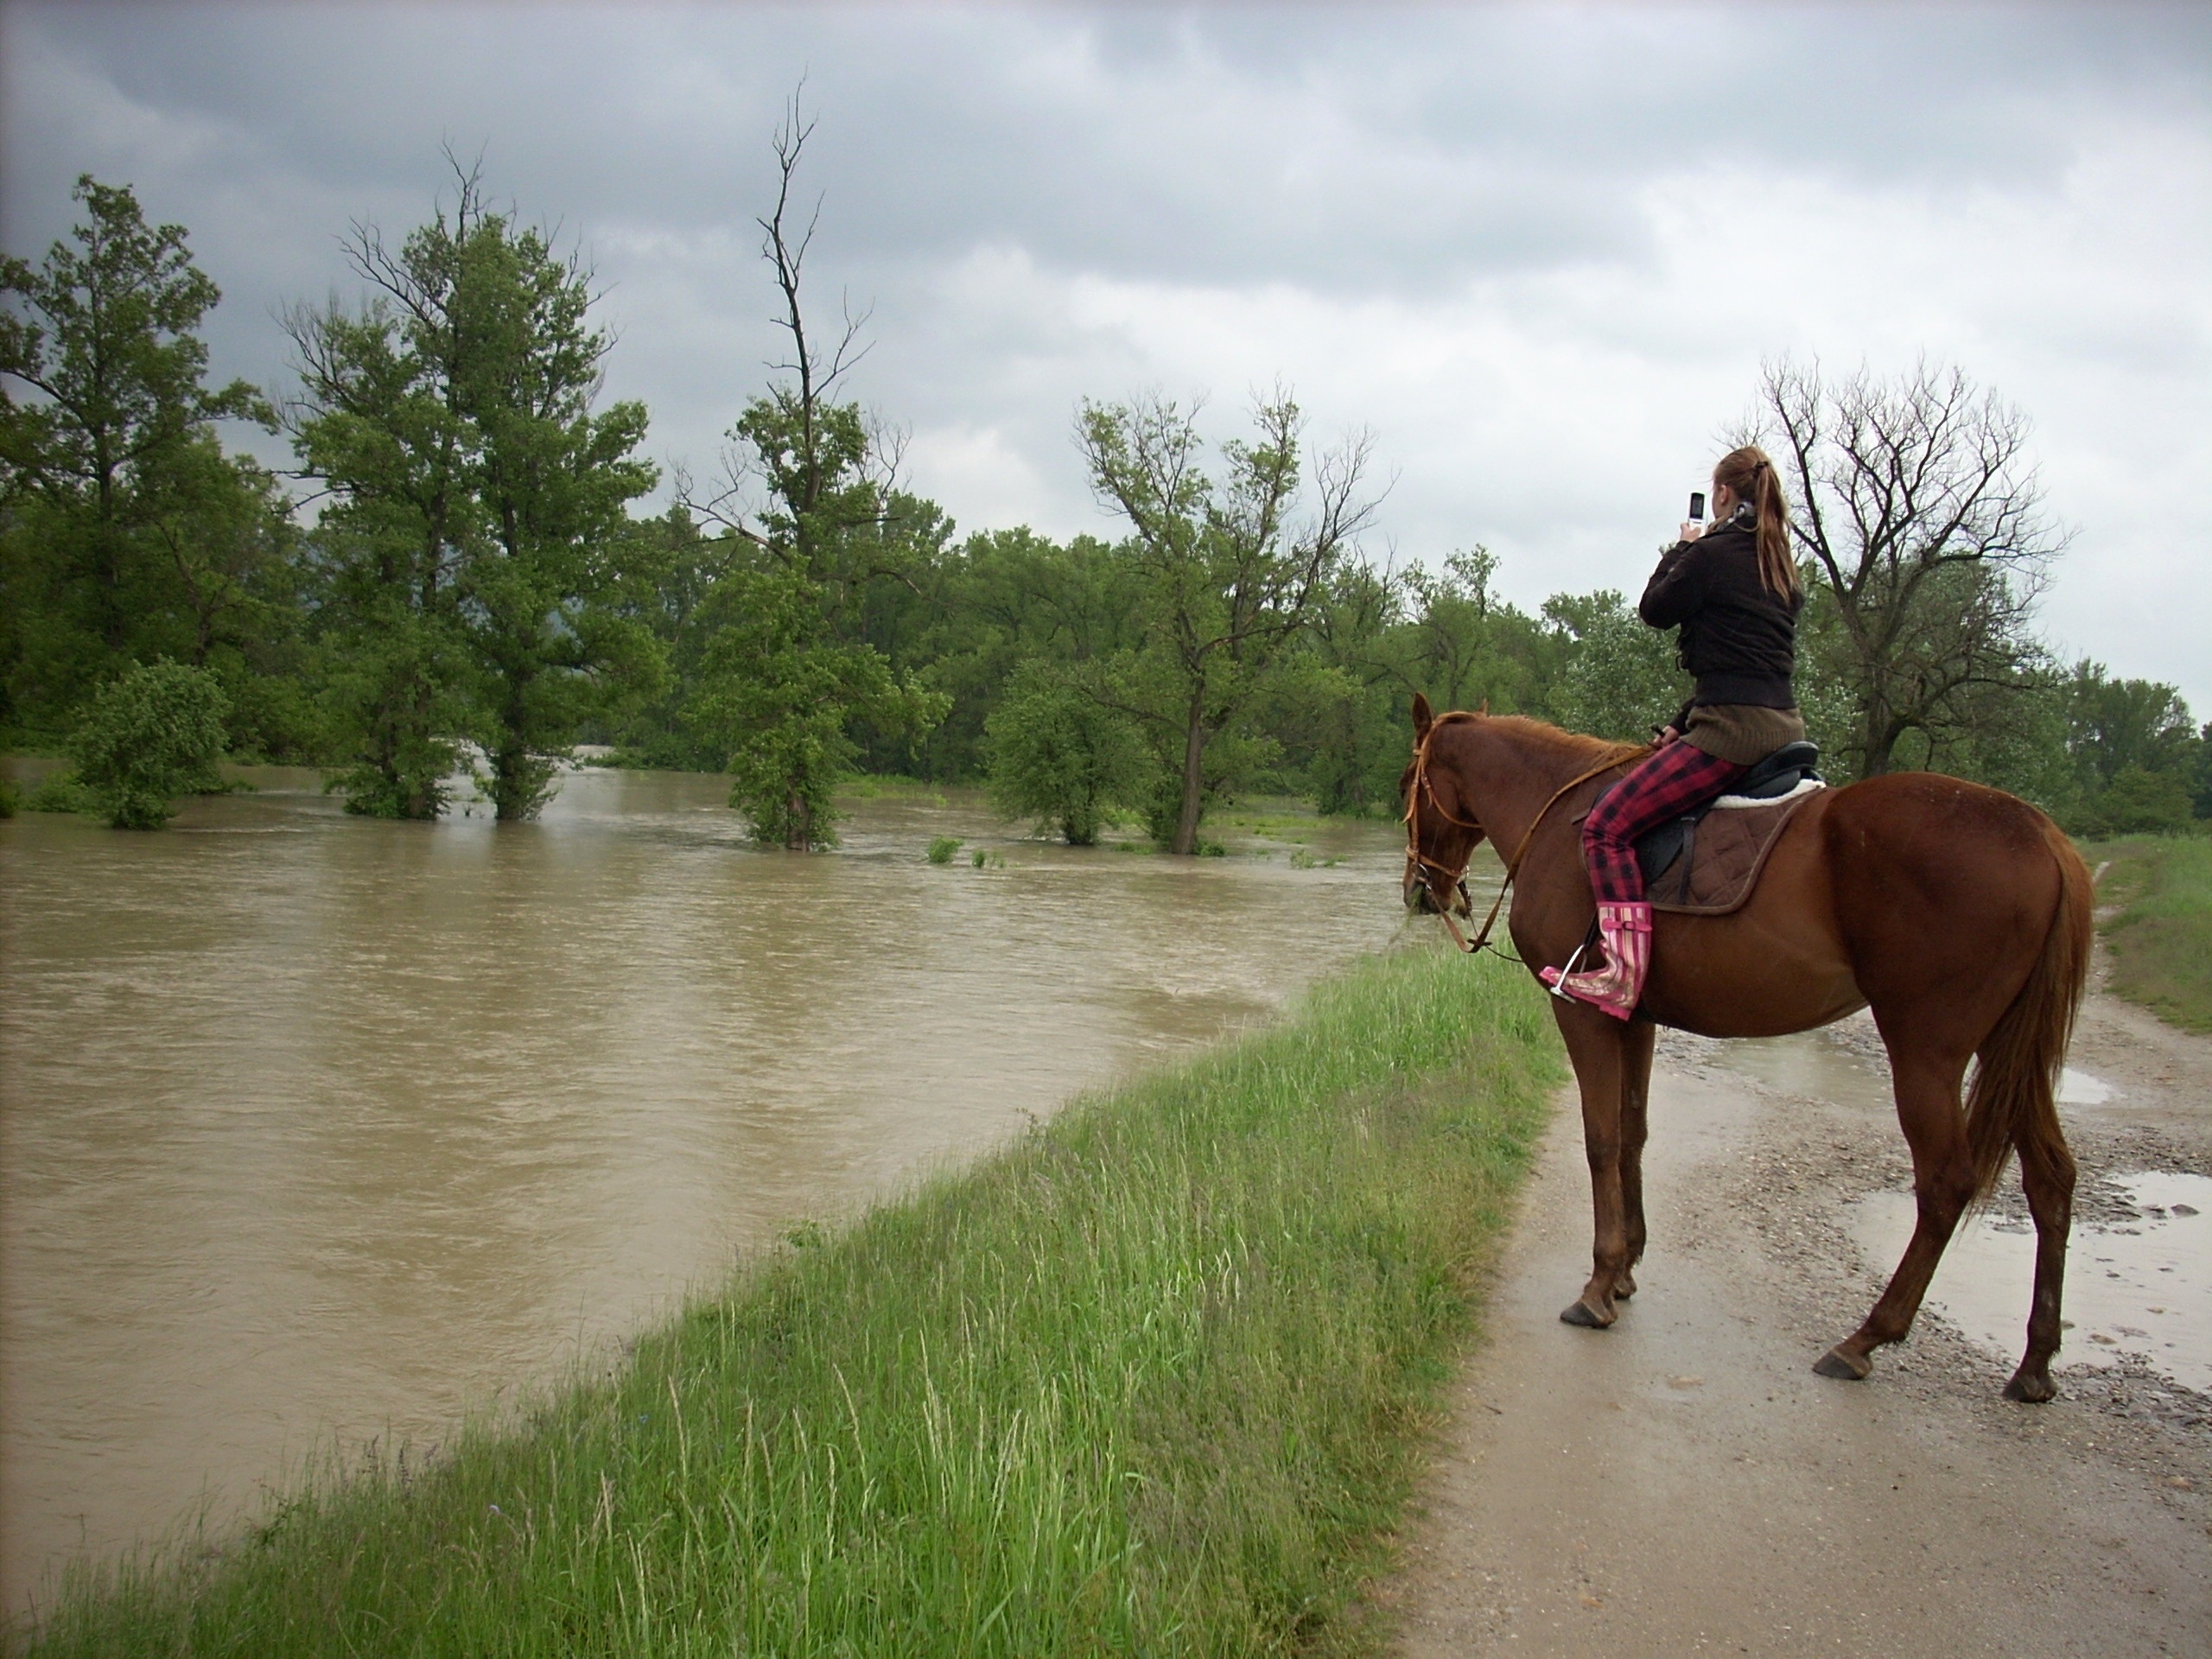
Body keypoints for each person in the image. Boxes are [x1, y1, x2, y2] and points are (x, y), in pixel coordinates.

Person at [1542, 444, 1806, 1020]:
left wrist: (1682, 548)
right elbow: (1744, 666)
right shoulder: (1780, 565)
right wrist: (1683, 724)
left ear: (1723, 494)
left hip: (1733, 735)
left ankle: (1621, 975)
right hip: (1783, 726)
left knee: (1606, 827)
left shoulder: (1710, 554)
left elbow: (1654, 610)